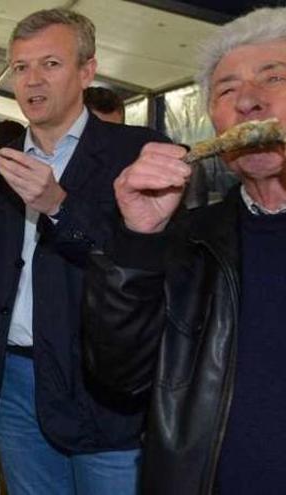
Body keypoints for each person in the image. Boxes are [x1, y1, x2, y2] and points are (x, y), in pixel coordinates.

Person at [0, 9, 168, 494]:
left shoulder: (136, 153)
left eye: (50, 64)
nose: (32, 81)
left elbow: (144, 267)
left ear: (87, 71)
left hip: (102, 387)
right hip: (12, 381)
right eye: (20, 68)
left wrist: (59, 206)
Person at [82, 7, 286, 494]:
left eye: (274, 77)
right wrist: (138, 239)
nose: (249, 103)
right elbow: (120, 376)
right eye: (227, 90)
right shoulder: (191, 239)